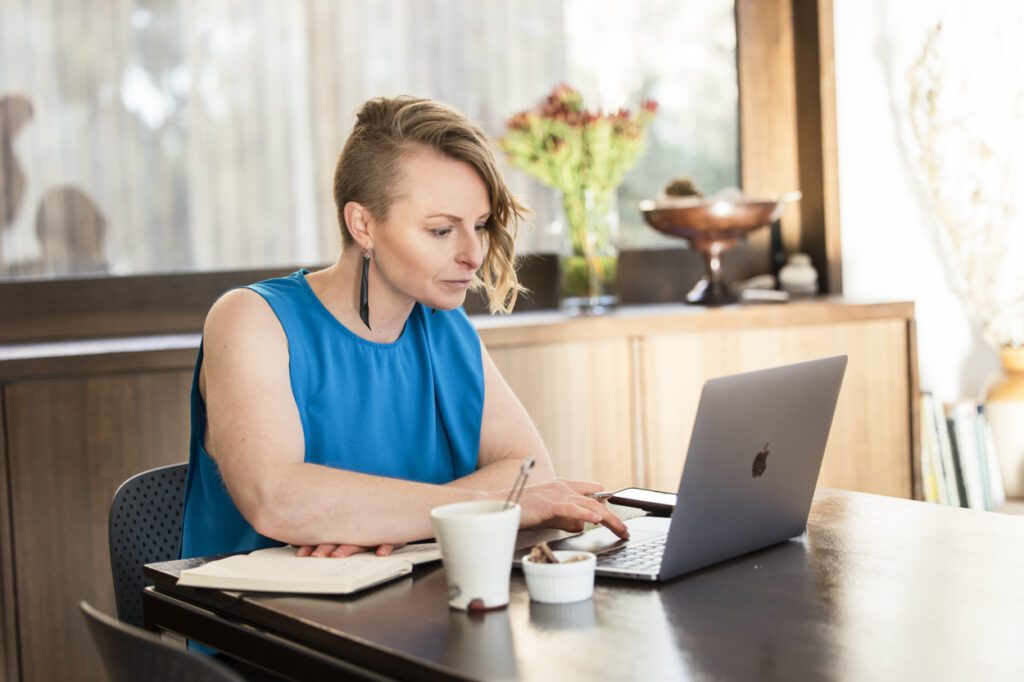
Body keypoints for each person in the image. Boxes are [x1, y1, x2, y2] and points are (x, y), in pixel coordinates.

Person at [180, 95, 629, 563]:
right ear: (363, 225)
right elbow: (277, 500)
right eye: (440, 231)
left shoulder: (447, 328)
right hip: (261, 622)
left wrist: (385, 522)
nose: (473, 255)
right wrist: (477, 507)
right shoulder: (250, 319)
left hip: (414, 611)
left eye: (478, 226)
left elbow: (530, 474)